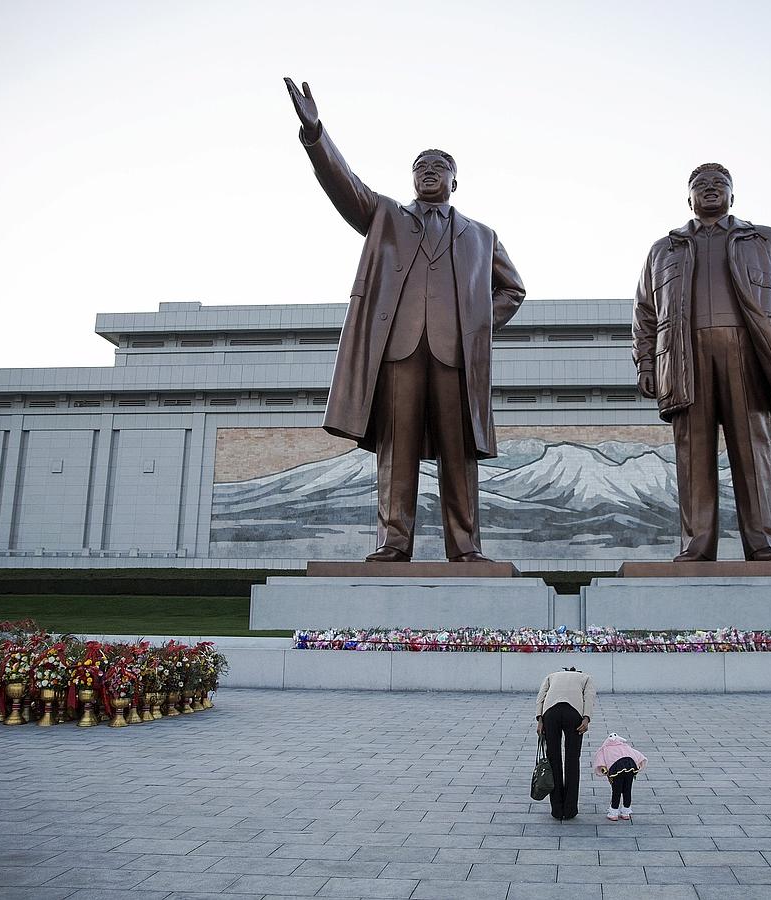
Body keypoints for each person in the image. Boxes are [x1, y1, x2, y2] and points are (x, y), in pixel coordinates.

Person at [283, 78, 526, 562]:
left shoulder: (482, 235)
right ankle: (394, 543)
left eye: (440, 167)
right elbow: (344, 184)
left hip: (455, 356)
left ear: (455, 181)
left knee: (460, 453)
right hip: (398, 352)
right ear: (411, 178)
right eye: (421, 167)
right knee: (397, 450)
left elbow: (513, 290)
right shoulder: (385, 216)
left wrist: (475, 326)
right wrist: (316, 133)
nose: (429, 172)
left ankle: (465, 547)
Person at [632, 163, 771, 562]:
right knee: (692, 455)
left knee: (752, 451)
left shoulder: (763, 238)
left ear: (733, 195)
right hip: (683, 359)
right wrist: (646, 365)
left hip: (745, 353)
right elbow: (645, 313)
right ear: (689, 197)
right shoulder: (664, 249)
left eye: (720, 184)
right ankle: (696, 547)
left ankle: (764, 545)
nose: (710, 190)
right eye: (701, 185)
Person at [535, 666, 595, 820]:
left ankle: (556, 810)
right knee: (572, 760)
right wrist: (586, 718)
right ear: (577, 672)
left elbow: (541, 696)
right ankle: (570, 810)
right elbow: (589, 697)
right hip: (573, 713)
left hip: (550, 713)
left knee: (554, 759)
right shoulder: (585, 677)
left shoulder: (551, 675)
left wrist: (539, 719)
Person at [592, 732, 647, 821]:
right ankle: (626, 812)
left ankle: (613, 812)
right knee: (627, 790)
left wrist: (604, 770)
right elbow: (637, 755)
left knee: (616, 791)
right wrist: (638, 764)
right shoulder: (625, 746)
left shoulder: (604, 749)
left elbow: (600, 762)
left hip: (617, 770)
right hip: (630, 767)